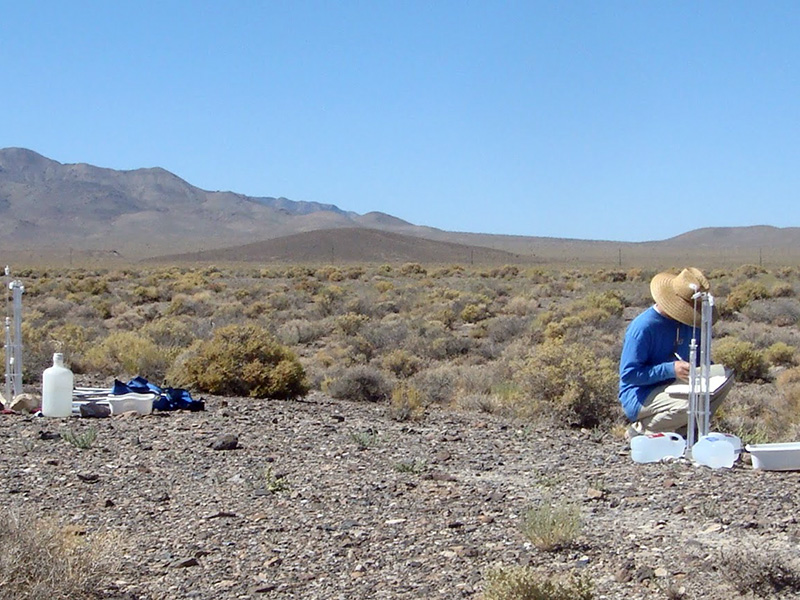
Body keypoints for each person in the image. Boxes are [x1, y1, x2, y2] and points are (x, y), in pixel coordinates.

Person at [619, 267, 734, 437]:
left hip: (677, 386)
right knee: (691, 406)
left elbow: (700, 359)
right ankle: (642, 430)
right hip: (641, 394)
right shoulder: (643, 328)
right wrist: (670, 369)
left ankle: (688, 430)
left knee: (725, 376)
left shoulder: (689, 322)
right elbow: (629, 374)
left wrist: (709, 374)